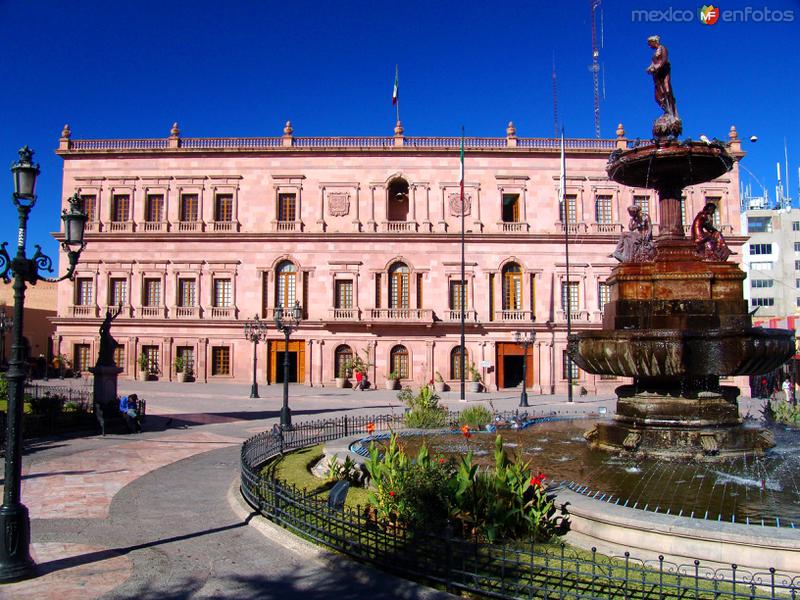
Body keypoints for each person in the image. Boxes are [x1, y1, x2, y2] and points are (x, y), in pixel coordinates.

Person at [646, 35, 677, 118]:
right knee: (657, 96)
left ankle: (671, 110)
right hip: (657, 77)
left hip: (663, 73)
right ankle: (666, 109)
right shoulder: (654, 54)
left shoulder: (662, 48)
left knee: (666, 89)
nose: (649, 46)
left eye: (650, 43)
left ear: (654, 42)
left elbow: (664, 59)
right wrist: (650, 68)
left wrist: (658, 66)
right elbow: (653, 63)